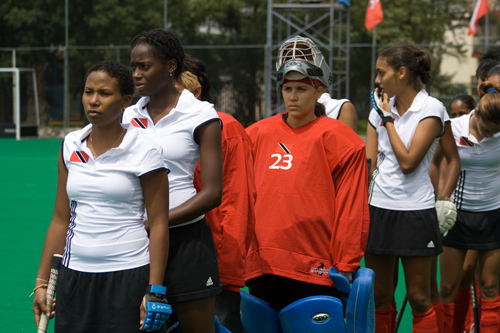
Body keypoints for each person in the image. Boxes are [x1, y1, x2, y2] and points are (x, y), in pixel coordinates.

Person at [32, 60, 170, 332]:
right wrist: (41, 281)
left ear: (125, 101)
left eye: (104, 94)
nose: (93, 101)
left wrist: (155, 291)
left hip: (128, 275)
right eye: (88, 92)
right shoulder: (71, 143)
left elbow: (159, 224)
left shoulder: (146, 150)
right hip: (75, 276)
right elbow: (61, 218)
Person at [244, 35, 370, 311]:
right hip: (263, 262)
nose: (292, 96)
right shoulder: (255, 134)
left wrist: (347, 263)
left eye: (301, 88)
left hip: (316, 266)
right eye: (287, 88)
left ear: (319, 91)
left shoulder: (342, 140)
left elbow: (352, 208)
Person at [122, 29, 223, 333]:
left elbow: (213, 192)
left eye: (145, 66)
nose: (136, 74)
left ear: (170, 66)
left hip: (187, 243)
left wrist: (159, 222)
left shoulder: (200, 114)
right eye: (134, 66)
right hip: (135, 242)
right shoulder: (125, 116)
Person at [365, 44, 454, 332]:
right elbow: (369, 165)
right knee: (378, 296)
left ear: (402, 73)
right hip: (378, 209)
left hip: (416, 213)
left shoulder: (431, 109)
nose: (377, 80)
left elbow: (408, 162)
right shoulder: (376, 111)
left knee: (418, 298)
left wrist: (387, 118)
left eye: (382, 73)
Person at [176, 54, 256, 333]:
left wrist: (228, 267)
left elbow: (237, 202)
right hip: (170, 254)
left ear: (196, 91)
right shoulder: (156, 127)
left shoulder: (225, 128)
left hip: (212, 258)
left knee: (221, 325)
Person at [438, 81, 500, 333]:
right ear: (477, 114)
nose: (489, 136)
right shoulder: (455, 127)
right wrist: (439, 199)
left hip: (493, 216)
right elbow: (435, 164)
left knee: (489, 286)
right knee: (448, 288)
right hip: (457, 217)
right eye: (486, 129)